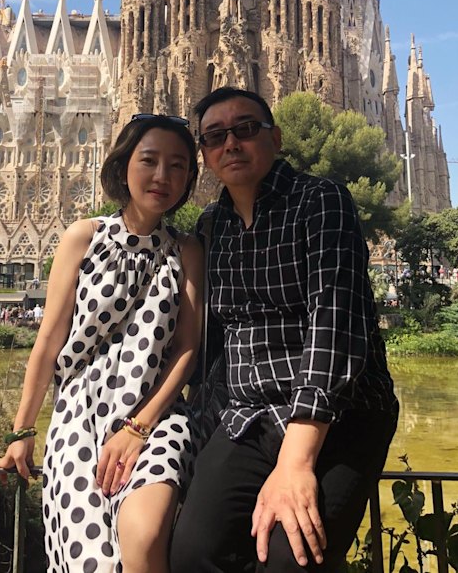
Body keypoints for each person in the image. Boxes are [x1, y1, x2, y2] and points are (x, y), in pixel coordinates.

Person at [171, 87, 399, 573]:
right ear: (206, 156)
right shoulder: (215, 225)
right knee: (191, 553)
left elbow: (335, 328)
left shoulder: (322, 201)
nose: (230, 143)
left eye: (245, 129)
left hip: (340, 414)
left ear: (274, 138)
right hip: (249, 418)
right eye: (215, 136)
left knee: (289, 559)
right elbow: (217, 347)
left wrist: (295, 464)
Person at [0, 114, 204, 573]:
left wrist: (139, 427)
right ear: (124, 165)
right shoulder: (83, 237)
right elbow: (48, 342)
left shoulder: (187, 250)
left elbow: (186, 347)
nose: (162, 176)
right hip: (80, 418)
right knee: (93, 563)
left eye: (178, 166)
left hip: (155, 417)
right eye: (149, 160)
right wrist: (22, 433)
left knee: (144, 538)